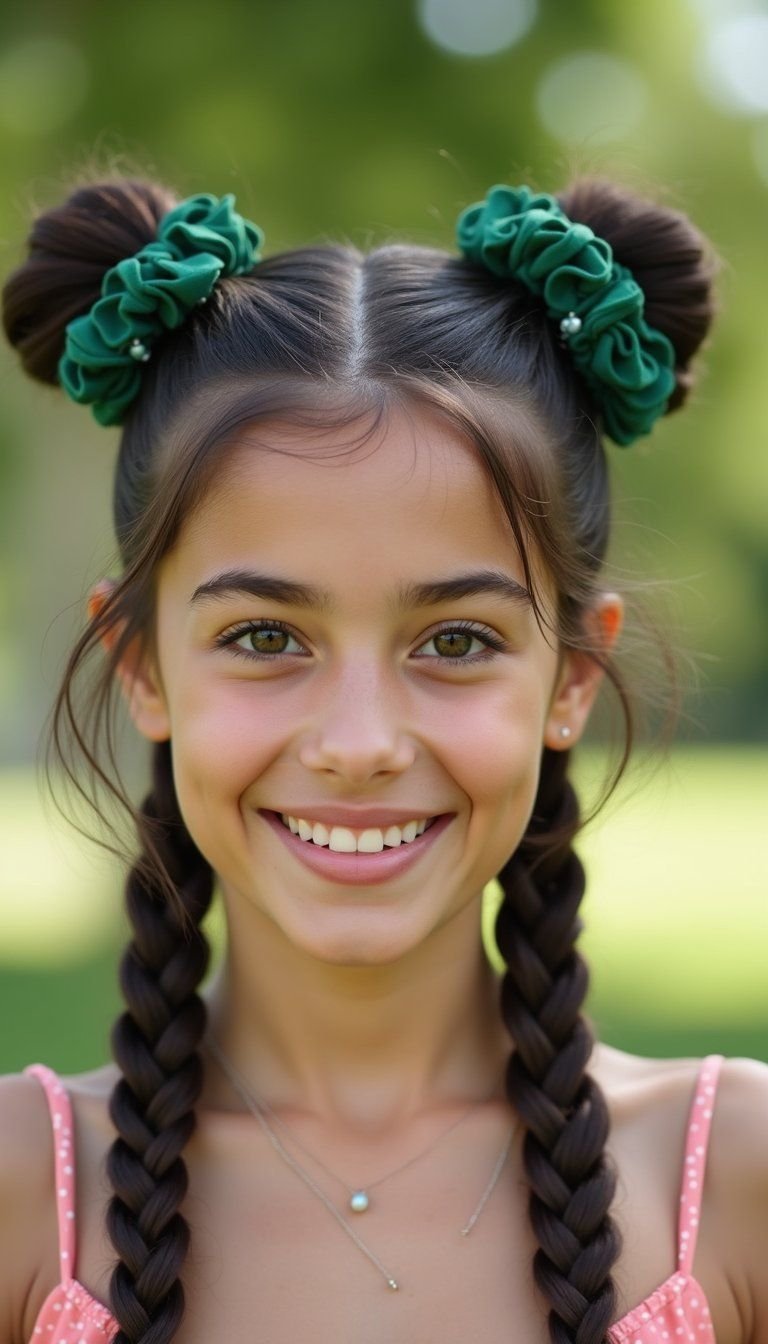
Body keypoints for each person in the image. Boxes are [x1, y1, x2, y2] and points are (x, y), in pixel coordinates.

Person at [0, 172, 765, 1344]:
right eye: (265, 637)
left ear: (571, 678)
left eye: (456, 641)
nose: (359, 744)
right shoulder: (27, 1199)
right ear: (142, 664)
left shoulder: (732, 1187)